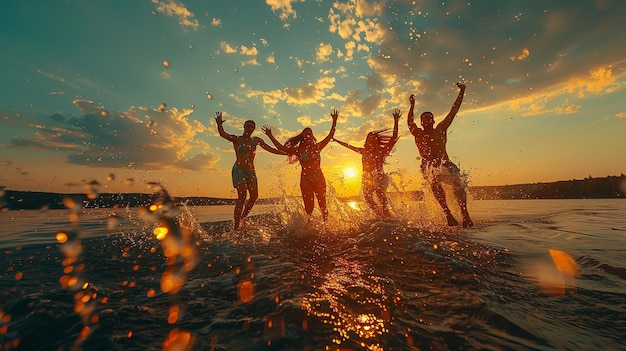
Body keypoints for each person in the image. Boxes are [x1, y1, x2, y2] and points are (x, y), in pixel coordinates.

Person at [407, 83, 473, 227]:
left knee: (459, 184)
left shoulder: (441, 129)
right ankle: (448, 214)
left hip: (445, 163)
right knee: (434, 181)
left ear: (433, 120)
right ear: (422, 122)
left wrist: (462, 91)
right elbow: (410, 123)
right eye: (423, 118)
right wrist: (412, 106)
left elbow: (453, 110)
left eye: (429, 117)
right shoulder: (418, 134)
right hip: (428, 166)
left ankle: (465, 214)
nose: (426, 120)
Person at [262, 110, 339, 221]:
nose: (308, 135)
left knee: (323, 205)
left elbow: (330, 135)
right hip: (305, 180)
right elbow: (280, 147)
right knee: (309, 208)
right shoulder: (298, 150)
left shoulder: (318, 147)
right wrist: (270, 135)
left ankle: (326, 226)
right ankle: (308, 227)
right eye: (306, 134)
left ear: (312, 136)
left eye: (310, 133)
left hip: (319, 178)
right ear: (303, 136)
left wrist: (334, 120)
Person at [215, 112, 286, 230]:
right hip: (239, 170)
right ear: (244, 127)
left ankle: (243, 217)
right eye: (248, 126)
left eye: (252, 127)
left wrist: (285, 153)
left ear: (254, 129)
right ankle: (236, 226)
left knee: (254, 197)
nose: (249, 128)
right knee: (242, 197)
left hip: (251, 172)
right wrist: (219, 124)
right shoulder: (237, 139)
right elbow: (223, 134)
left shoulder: (256, 140)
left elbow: (270, 149)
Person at [332, 109, 401, 218]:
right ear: (366, 141)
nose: (371, 140)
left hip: (379, 177)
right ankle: (382, 216)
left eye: (373, 139)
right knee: (368, 200)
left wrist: (396, 121)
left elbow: (393, 138)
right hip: (367, 178)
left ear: (376, 141)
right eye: (369, 139)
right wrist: (336, 140)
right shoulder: (364, 151)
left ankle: (387, 215)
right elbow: (349, 146)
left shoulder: (381, 152)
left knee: (380, 197)